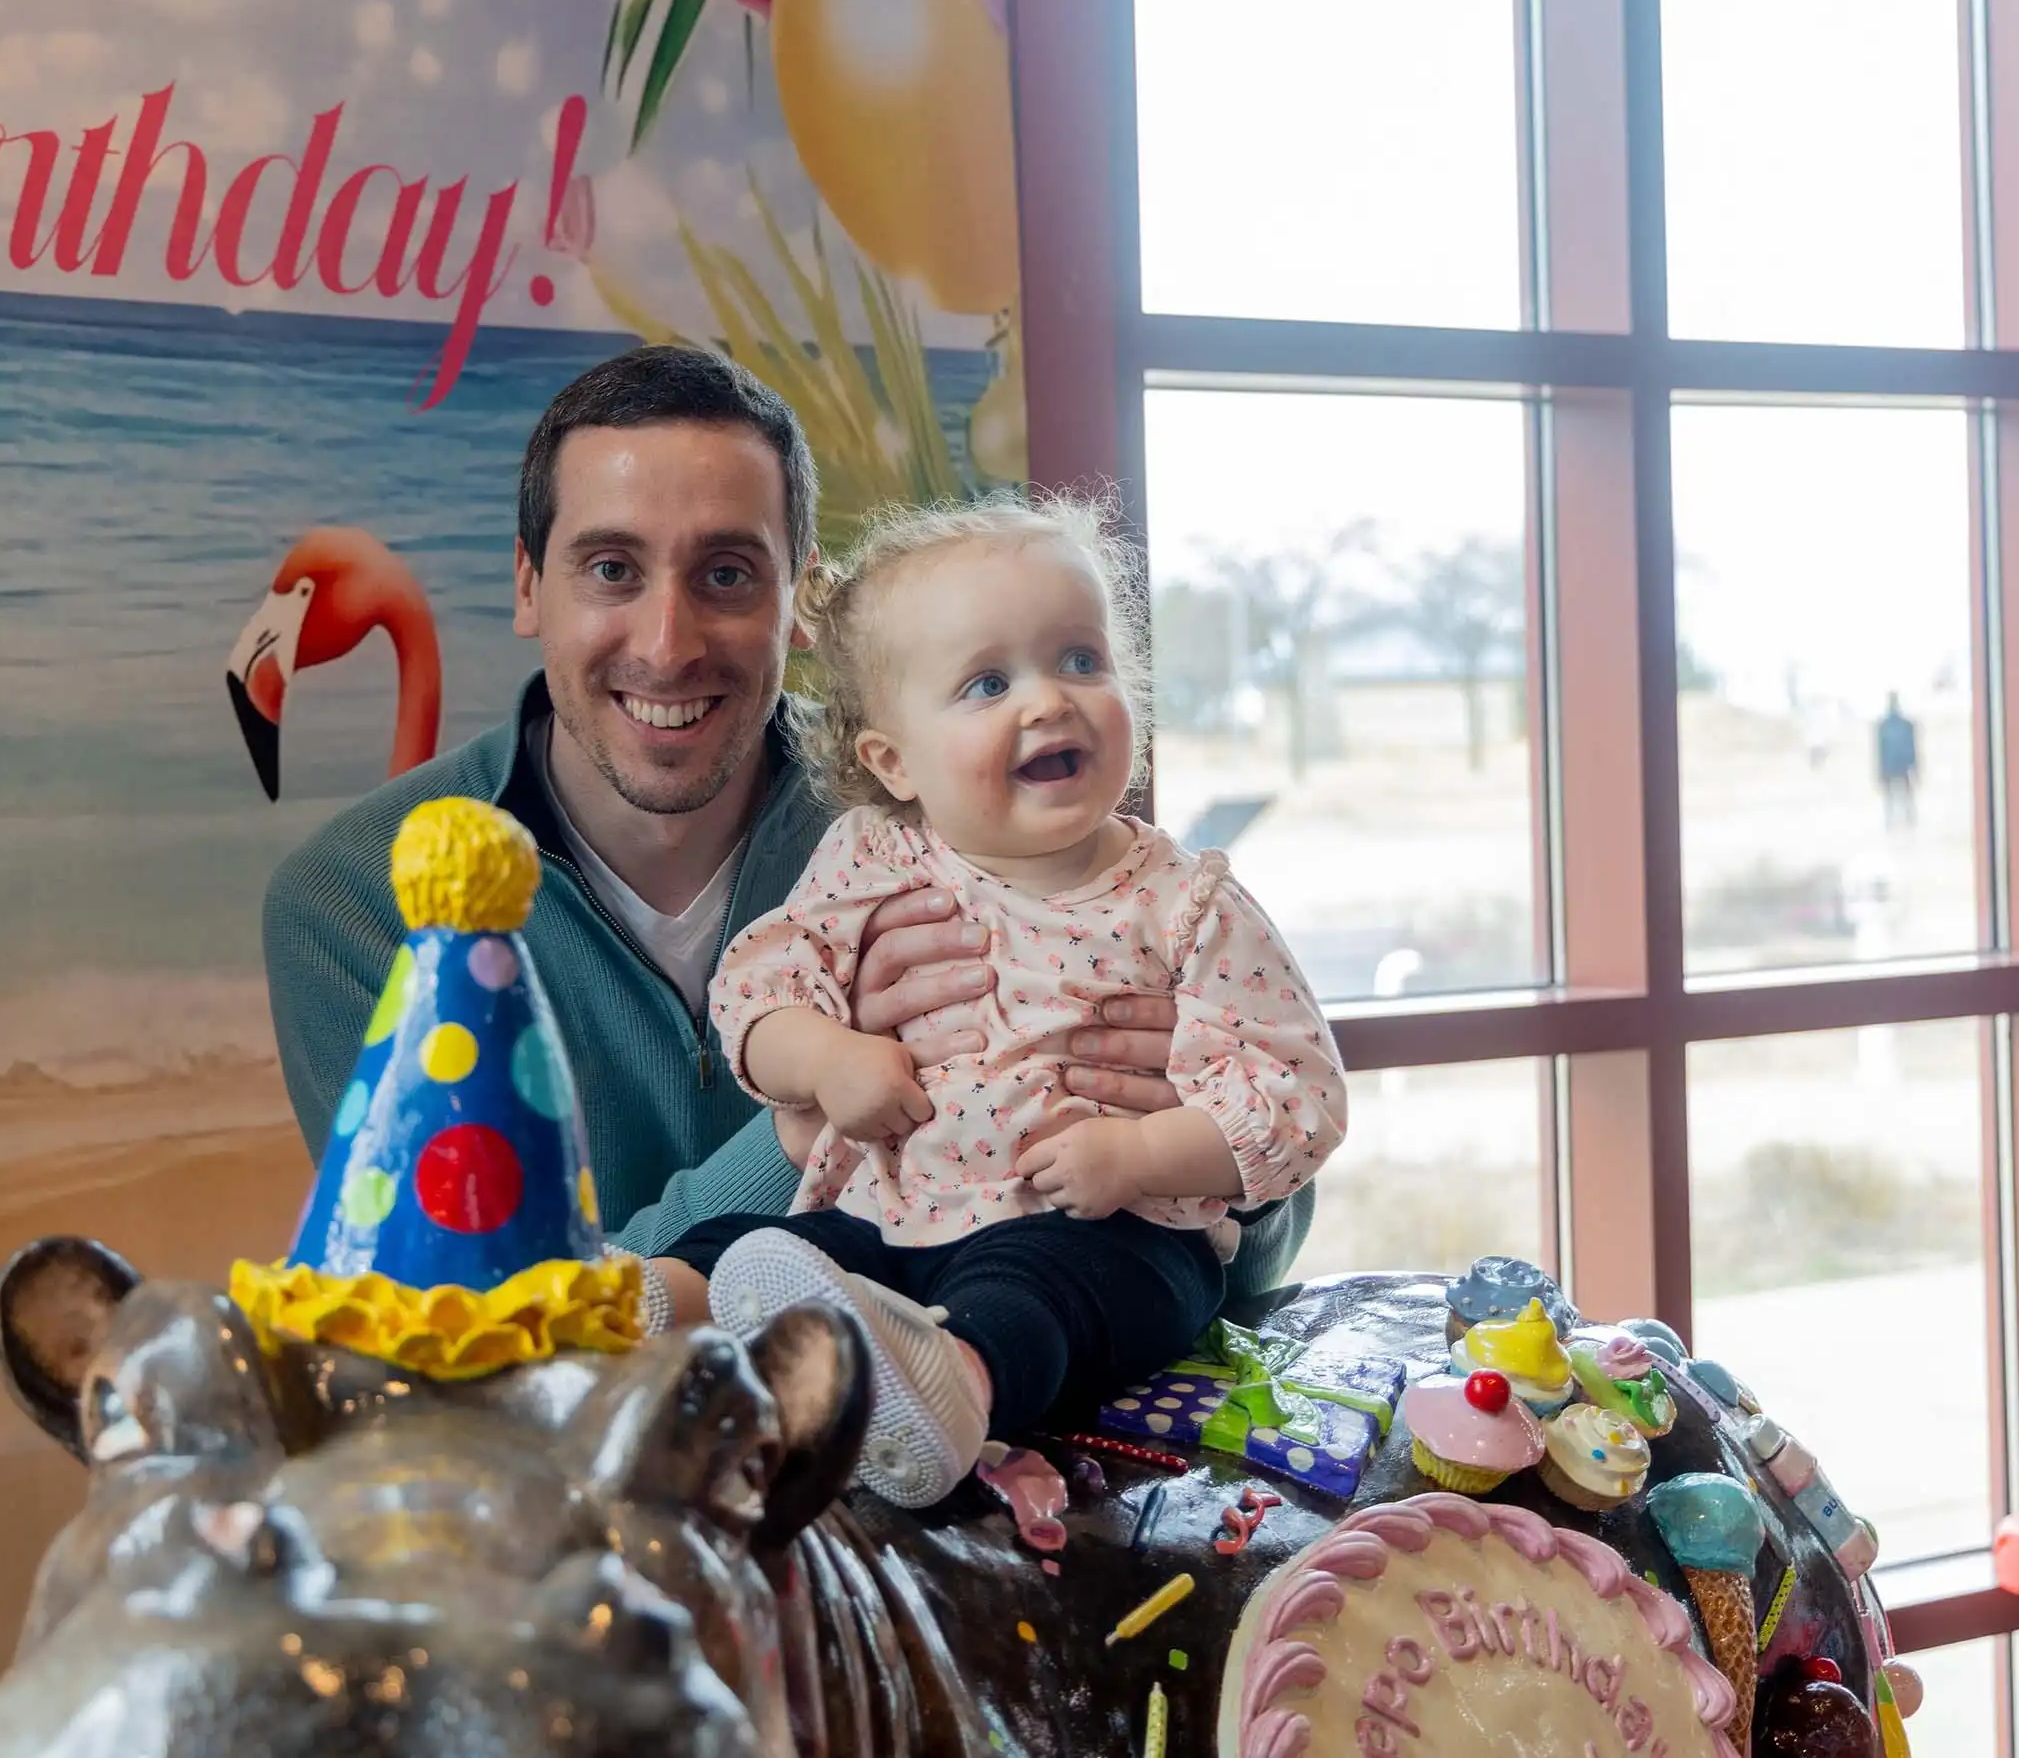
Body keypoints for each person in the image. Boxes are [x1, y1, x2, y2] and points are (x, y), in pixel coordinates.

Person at [262, 345, 1312, 1290]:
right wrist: (803, 1115)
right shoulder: (353, 903)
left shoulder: (973, 797)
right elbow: (468, 1306)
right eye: (612, 570)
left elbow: (1266, 1242)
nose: (668, 644)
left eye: (727, 574)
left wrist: (1182, 1128)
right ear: (531, 585)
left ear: (802, 607)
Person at [647, 495, 1347, 1506]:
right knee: (776, 1249)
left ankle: (952, 1392)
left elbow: (1299, 1093)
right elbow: (761, 984)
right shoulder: (871, 859)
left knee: (1045, 1292)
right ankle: (643, 1314)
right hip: (889, 1212)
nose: (1050, 701)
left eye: (1080, 661)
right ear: (895, 762)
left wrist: (1142, 1155)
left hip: (1105, 1230)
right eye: (988, 682)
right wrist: (826, 1063)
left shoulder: (1184, 903)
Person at [1874, 691, 1918, 831]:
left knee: (1893, 800)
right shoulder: (1906, 725)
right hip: (1902, 765)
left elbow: (1880, 752)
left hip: (1891, 766)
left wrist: (1879, 771)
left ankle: (1894, 823)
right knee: (1903, 799)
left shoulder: (1883, 726)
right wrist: (1915, 767)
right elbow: (1913, 748)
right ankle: (1905, 822)